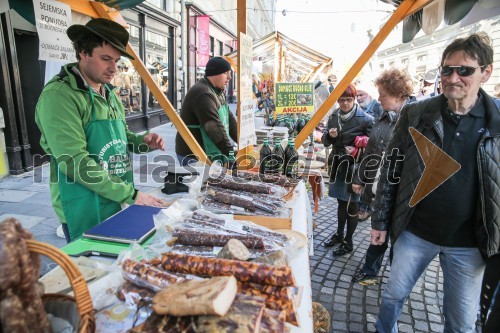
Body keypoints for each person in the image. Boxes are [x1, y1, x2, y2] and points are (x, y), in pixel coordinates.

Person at [371, 33, 500, 332]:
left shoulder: (496, 123)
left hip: (469, 244)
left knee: (462, 323)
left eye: (464, 70)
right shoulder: (416, 114)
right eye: (446, 69)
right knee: (392, 296)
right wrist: (379, 221)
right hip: (415, 232)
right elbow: (392, 169)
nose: (453, 77)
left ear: (486, 72)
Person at [35, 18, 166, 243]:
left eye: (116, 60)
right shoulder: (59, 96)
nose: (114, 68)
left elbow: (122, 137)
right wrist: (131, 194)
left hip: (116, 195)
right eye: (106, 59)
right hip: (83, 202)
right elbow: (74, 161)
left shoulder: (110, 93)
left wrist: (143, 141)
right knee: (92, 269)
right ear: (84, 53)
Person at [350, 68, 413, 285]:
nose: (379, 98)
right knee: (378, 229)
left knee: (400, 238)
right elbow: (371, 152)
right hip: (379, 187)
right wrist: (360, 178)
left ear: (399, 96)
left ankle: (398, 277)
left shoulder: (414, 119)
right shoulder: (383, 118)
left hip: (403, 192)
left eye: (383, 94)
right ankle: (370, 269)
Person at [321, 83, 373, 255]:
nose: (345, 103)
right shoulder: (334, 116)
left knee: (352, 205)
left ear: (354, 99)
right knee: (341, 203)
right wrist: (329, 135)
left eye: (348, 100)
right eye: (341, 100)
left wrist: (358, 149)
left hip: (354, 167)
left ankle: (348, 242)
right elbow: (325, 141)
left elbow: (375, 146)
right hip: (337, 164)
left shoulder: (365, 118)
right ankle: (339, 234)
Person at [175, 57, 237, 165]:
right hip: (193, 155)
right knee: (205, 182)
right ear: (215, 73)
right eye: (226, 73)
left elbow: (230, 120)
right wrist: (231, 154)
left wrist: (245, 143)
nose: (229, 77)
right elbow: (214, 129)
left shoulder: (218, 91)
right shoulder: (203, 94)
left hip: (206, 154)